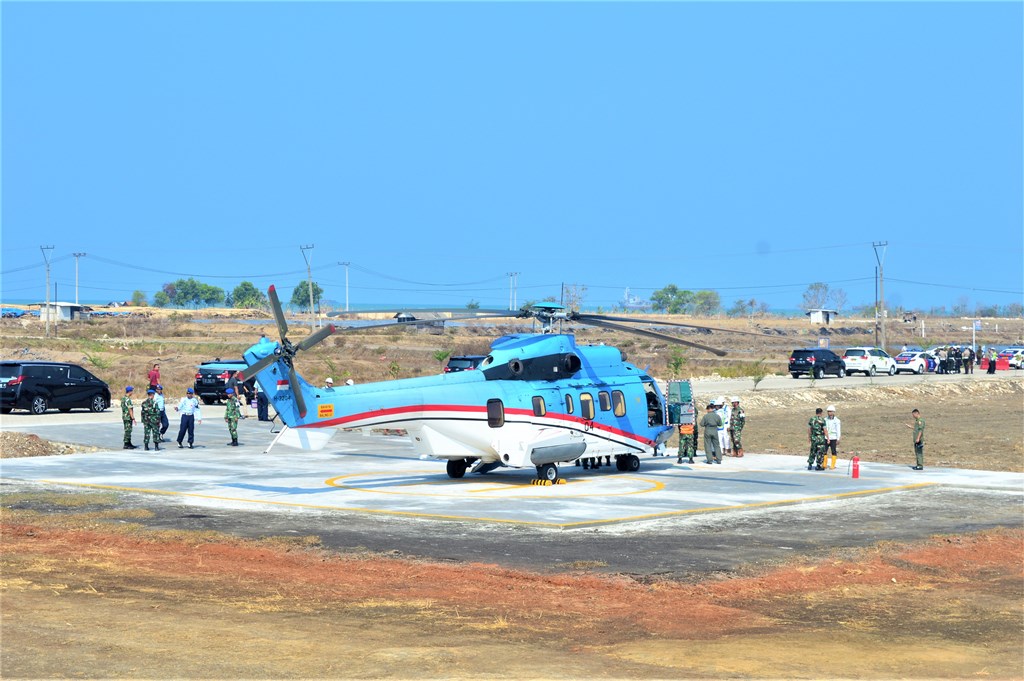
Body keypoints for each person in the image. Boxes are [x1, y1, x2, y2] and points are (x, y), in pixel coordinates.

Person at [824, 405, 841, 470]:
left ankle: (832, 465)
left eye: (830, 411)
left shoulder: (837, 421)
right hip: (826, 437)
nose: (829, 413)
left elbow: (838, 430)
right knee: (824, 451)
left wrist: (838, 438)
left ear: (833, 412)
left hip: (833, 438)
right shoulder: (825, 420)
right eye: (828, 411)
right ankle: (824, 464)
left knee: (833, 451)